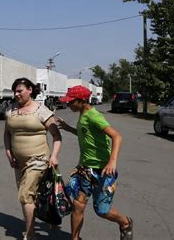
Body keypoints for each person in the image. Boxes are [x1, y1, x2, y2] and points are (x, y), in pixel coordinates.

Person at [56, 85, 133, 240]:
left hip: (103, 170)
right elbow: (85, 133)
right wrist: (67, 128)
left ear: (82, 101)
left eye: (71, 102)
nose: (69, 105)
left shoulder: (93, 116)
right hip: (85, 169)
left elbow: (117, 136)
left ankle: (125, 222)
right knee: (78, 205)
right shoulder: (82, 114)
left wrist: (112, 161)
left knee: (102, 211)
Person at [3, 77, 62, 240]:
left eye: (20, 91)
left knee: (25, 195)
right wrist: (8, 153)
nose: (16, 94)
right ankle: (39, 222)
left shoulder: (41, 110)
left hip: (39, 159)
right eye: (14, 91)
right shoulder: (10, 110)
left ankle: (30, 235)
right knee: (29, 197)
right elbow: (7, 133)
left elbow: (57, 136)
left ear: (30, 90)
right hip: (18, 162)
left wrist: (54, 156)